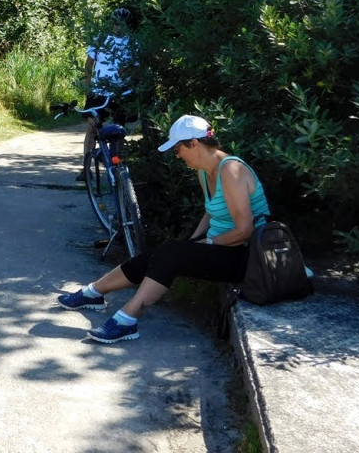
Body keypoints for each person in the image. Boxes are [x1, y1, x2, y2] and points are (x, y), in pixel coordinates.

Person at [57, 114, 270, 343]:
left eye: (178, 150)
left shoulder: (231, 170)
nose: (177, 156)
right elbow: (211, 212)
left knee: (171, 253)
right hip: (223, 249)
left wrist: (204, 244)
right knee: (162, 253)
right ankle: (94, 292)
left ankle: (127, 320)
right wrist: (193, 242)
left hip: (246, 256)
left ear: (193, 143)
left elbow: (244, 230)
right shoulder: (205, 171)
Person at [77, 7, 135, 180]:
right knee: (92, 127)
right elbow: (88, 64)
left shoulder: (133, 43)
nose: (119, 26)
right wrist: (88, 86)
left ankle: (116, 167)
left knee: (119, 130)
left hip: (122, 93)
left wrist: (129, 72)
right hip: (99, 92)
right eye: (116, 23)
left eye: (123, 23)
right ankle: (86, 170)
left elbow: (138, 68)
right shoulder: (100, 39)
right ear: (112, 23)